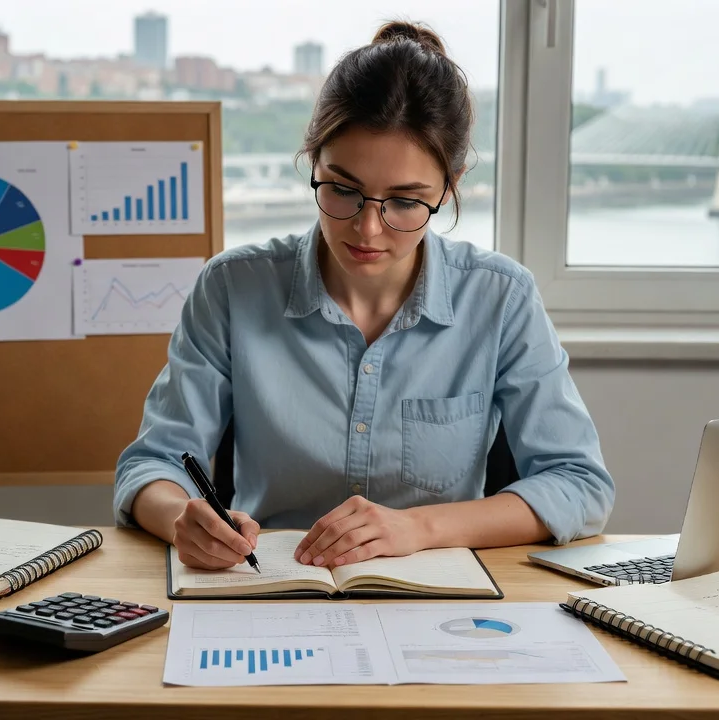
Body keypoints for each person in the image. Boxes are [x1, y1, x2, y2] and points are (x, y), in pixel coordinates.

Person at [114, 20, 614, 571]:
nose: (367, 229)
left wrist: (420, 528)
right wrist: (182, 518)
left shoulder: (501, 298)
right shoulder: (233, 287)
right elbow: (151, 465)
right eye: (343, 189)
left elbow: (581, 485)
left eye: (404, 201)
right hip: (269, 594)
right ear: (313, 162)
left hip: (437, 605)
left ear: (451, 184)